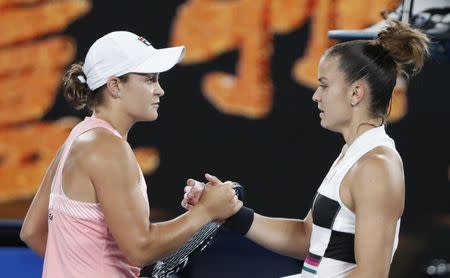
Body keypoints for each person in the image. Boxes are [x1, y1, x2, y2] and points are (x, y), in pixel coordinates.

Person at [182, 20, 429, 277]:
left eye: (324, 85)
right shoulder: (353, 154)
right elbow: (308, 238)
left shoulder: (377, 165)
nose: (316, 96)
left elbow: (371, 275)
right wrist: (232, 213)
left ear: (356, 93)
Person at [19, 31, 242, 278]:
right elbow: (140, 248)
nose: (160, 90)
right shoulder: (107, 148)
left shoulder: (79, 137)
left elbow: (31, 232)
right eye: (149, 80)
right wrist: (206, 212)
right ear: (115, 85)